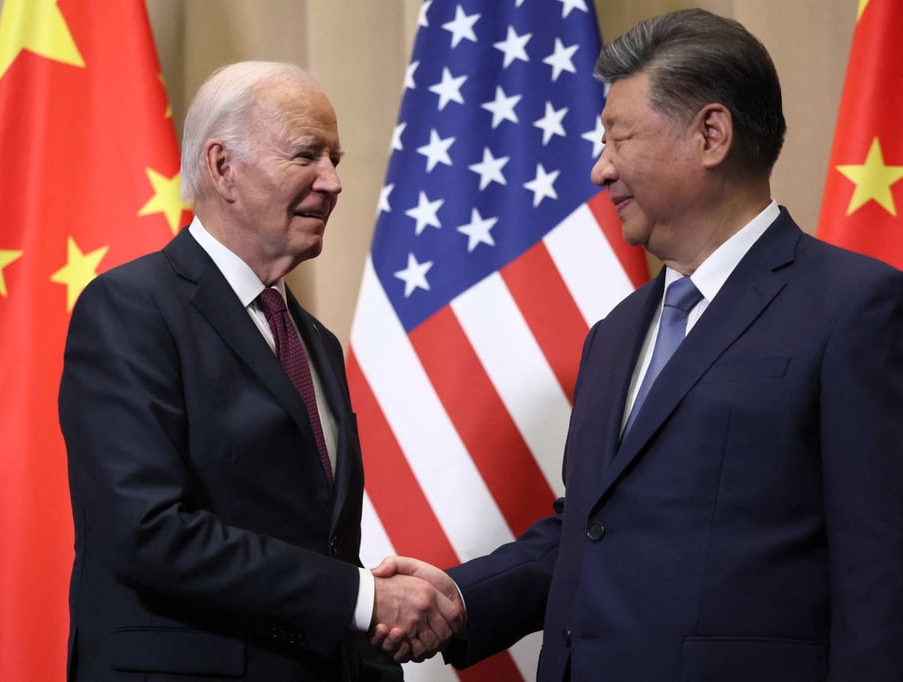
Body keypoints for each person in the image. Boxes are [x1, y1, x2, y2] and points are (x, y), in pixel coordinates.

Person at [372, 8, 903, 681]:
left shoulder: (855, 307)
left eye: (618, 139)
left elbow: (882, 574)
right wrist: (461, 595)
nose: (600, 170)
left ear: (712, 133)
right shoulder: (616, 334)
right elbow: (593, 528)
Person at [59, 61, 462, 682]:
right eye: (306, 155)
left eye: (335, 158)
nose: (332, 182)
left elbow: (316, 539)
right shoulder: (131, 308)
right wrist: (362, 598)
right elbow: (146, 533)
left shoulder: (316, 342)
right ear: (222, 167)